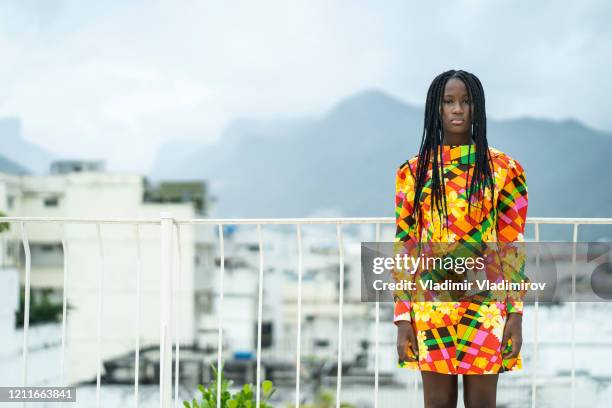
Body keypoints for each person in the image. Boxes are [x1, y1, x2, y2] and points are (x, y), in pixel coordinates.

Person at [393, 69, 529, 408]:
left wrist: (515, 314)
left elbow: (512, 244)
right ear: (436, 109)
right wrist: (402, 317)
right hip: (431, 305)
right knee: (437, 403)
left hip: (485, 304)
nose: (457, 109)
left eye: (466, 101)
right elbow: (405, 244)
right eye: (449, 101)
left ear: (477, 108)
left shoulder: (504, 169)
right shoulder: (413, 172)